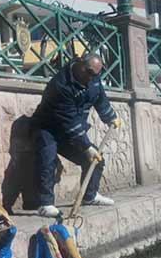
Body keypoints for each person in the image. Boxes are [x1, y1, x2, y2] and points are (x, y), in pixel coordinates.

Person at [31, 54, 121, 218]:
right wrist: (86, 147)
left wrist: (110, 117)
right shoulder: (61, 84)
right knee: (48, 158)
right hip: (48, 127)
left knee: (95, 160)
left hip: (70, 130)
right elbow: (69, 120)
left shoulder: (93, 79)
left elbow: (100, 98)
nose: (92, 77)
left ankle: (90, 196)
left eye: (95, 74)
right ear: (80, 65)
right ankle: (45, 204)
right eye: (89, 72)